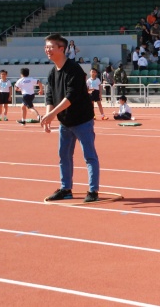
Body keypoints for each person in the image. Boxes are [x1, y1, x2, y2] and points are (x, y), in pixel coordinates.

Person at [41, 33, 101, 203]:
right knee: (64, 156)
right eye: (46, 47)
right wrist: (48, 116)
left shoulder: (74, 69)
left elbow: (71, 96)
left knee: (89, 156)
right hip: (65, 122)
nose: (47, 50)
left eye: (51, 47)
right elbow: (50, 96)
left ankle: (93, 191)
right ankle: (66, 189)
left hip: (82, 120)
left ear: (62, 49)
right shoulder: (52, 72)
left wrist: (52, 114)